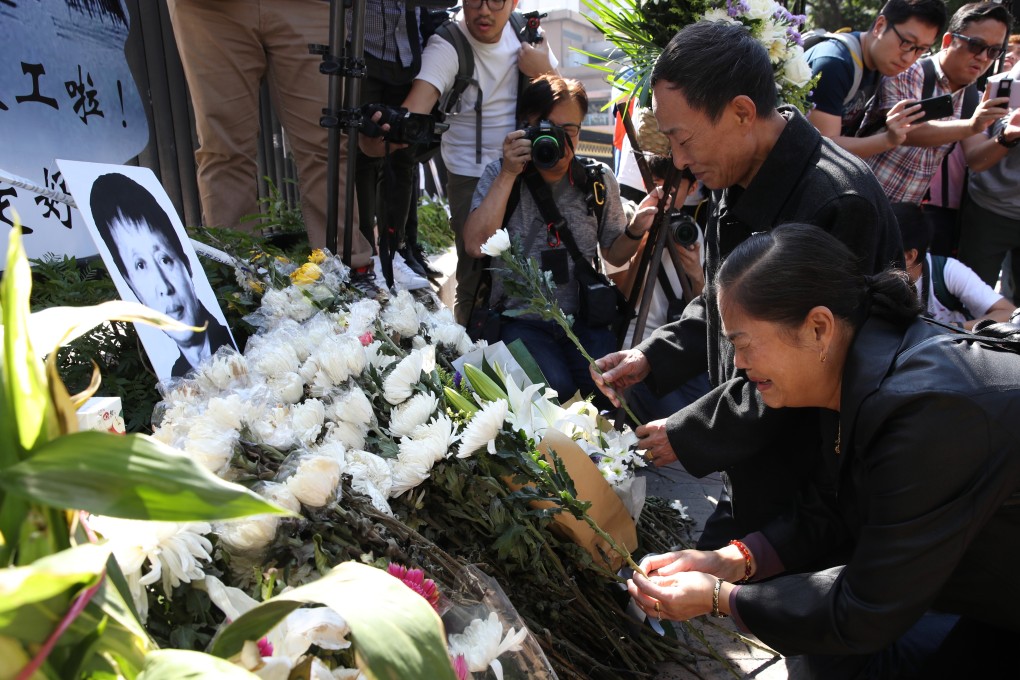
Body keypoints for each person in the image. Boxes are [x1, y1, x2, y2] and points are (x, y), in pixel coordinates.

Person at [628, 223, 1020, 679]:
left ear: (818, 327)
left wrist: (718, 598)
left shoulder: (926, 412)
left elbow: (866, 606)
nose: (737, 363)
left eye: (743, 343)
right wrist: (730, 560)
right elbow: (837, 505)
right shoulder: (856, 369)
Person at [591, 20, 903, 549]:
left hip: (814, 487)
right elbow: (725, 308)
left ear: (740, 112)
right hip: (755, 463)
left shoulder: (835, 201)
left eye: (682, 139)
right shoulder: (735, 177)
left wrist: (693, 432)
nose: (680, 161)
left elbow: (807, 366)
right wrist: (654, 355)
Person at [360, 0, 557, 326]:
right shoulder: (448, 45)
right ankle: (470, 359)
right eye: (474, 0)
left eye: (496, 1)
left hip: (527, 170)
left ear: (515, 2)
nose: (484, 10)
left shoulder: (525, 32)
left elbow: (567, 102)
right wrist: (381, 134)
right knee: (475, 279)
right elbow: (415, 108)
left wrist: (545, 70)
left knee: (535, 271)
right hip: (473, 178)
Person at [165, 0, 379, 293]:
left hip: (306, 6)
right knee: (224, 149)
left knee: (327, 143)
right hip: (210, 8)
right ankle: (237, 283)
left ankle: (348, 274)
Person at [463, 75, 641, 407]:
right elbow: (476, 244)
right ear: (525, 126)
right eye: (547, 128)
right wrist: (507, 173)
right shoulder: (501, 174)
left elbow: (614, 252)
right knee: (552, 385)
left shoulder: (597, 180)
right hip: (519, 319)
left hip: (582, 318)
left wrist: (636, 229)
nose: (558, 141)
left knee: (614, 387)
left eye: (569, 131)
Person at [864, 2, 1013, 206]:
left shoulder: (971, 97)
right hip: (860, 194)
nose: (983, 57)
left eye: (994, 51)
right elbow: (908, 133)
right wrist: (971, 126)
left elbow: (976, 160)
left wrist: (1007, 137)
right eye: (976, 45)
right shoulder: (909, 71)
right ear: (948, 40)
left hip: (903, 213)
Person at [89, 173, 235, 378]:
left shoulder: (238, 343)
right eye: (140, 265)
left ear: (186, 262)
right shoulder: (176, 376)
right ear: (131, 285)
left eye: (165, 259)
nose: (164, 287)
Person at [354, 0, 439, 281]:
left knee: (404, 158)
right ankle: (361, 258)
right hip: (360, 50)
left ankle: (396, 252)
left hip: (407, 55)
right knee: (361, 158)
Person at [803, 0, 947, 157]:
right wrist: (888, 140)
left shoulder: (879, 64)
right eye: (906, 43)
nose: (909, 58)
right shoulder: (835, 63)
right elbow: (822, 147)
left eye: (920, 49)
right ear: (880, 26)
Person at [956, 60, 1020, 297]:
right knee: (973, 298)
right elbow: (976, 160)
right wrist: (1008, 137)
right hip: (990, 209)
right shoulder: (1002, 85)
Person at [895, 202, 1014, 327]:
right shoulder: (875, 272)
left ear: (909, 256)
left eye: (883, 244)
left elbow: (1009, 313)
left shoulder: (947, 272)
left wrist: (952, 330)